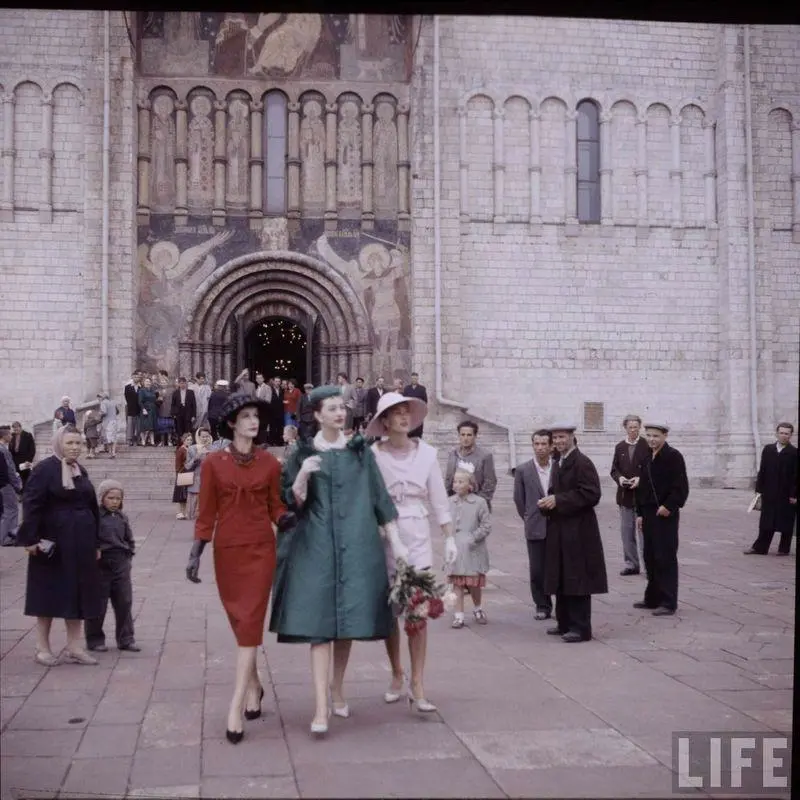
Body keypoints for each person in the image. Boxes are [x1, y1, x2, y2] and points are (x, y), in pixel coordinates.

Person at [270, 387, 407, 736]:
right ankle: (320, 708)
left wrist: (396, 541)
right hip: (314, 545)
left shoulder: (359, 452)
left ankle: (337, 688)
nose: (340, 413)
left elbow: (378, 496)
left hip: (354, 543)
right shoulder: (302, 452)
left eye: (342, 408)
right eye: (331, 408)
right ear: (317, 415)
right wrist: (301, 477)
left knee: (344, 622)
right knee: (319, 626)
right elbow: (289, 502)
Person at [186, 393, 293, 743]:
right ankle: (255, 686)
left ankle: (236, 705)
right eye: (245, 416)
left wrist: (288, 518)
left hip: (261, 550)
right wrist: (196, 549)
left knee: (250, 623)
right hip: (227, 551)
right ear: (232, 422)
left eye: (256, 416)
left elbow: (275, 507)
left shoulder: (271, 463)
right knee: (239, 623)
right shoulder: (213, 463)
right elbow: (206, 512)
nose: (253, 421)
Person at [367, 392, 456, 712]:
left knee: (418, 611)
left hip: (417, 536)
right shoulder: (374, 456)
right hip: (385, 537)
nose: (404, 418)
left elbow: (439, 500)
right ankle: (396, 673)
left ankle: (418, 681)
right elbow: (369, 497)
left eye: (407, 412)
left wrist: (448, 538)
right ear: (385, 421)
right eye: (396, 413)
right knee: (392, 610)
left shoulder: (428, 454)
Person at [16, 425, 104, 666]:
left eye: (78, 443)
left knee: (78, 593)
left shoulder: (80, 470)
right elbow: (32, 505)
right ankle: (42, 647)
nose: (75, 448)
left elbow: (92, 507)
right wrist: (31, 539)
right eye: (70, 443)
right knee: (48, 593)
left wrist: (96, 542)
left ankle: (75, 646)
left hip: (81, 543)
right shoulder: (44, 470)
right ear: (58, 444)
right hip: (53, 543)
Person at [540, 423, 608, 643]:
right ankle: (564, 622)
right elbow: (557, 491)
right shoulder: (559, 462)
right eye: (556, 438)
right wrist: (548, 502)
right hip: (561, 527)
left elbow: (591, 494)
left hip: (579, 530)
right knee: (561, 575)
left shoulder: (582, 462)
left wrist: (559, 500)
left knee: (577, 578)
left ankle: (581, 628)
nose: (559, 442)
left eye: (562, 437)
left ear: (571, 437)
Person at [634, 423, 689, 616]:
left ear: (665, 436)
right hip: (648, 514)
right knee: (649, 556)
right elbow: (642, 489)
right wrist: (639, 513)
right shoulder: (646, 457)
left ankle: (668, 601)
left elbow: (681, 486)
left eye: (656, 436)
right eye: (648, 435)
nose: (651, 439)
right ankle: (652, 598)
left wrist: (670, 506)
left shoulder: (673, 457)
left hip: (665, 514)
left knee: (664, 557)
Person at [85, 480, 140, 653]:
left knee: (124, 601)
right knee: (99, 603)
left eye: (118, 498)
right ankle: (94, 639)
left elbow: (129, 538)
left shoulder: (122, 517)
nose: (114, 502)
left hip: (120, 561)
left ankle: (126, 638)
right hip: (101, 563)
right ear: (102, 498)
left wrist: (129, 552)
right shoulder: (95, 517)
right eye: (110, 498)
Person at [513, 429, 555, 620]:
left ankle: (562, 604)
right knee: (537, 569)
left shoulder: (559, 467)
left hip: (557, 524)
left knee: (559, 566)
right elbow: (519, 499)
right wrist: (529, 516)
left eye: (543, 444)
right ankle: (542, 604)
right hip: (535, 525)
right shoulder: (523, 470)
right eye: (536, 444)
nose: (540, 448)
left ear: (551, 446)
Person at [445, 465, 491, 628]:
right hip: (456, 548)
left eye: (461, 481)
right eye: (455, 481)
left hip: (472, 549)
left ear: (470, 485)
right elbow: (446, 522)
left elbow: (486, 525)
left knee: (473, 583)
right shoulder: (449, 502)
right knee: (457, 582)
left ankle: (477, 608)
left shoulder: (480, 503)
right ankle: (458, 615)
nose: (456, 485)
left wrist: (473, 537)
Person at [744, 422, 797, 556]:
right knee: (766, 521)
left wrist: (794, 494)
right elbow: (762, 470)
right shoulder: (768, 449)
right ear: (777, 433)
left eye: (787, 433)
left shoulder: (793, 452)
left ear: (791, 435)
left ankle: (783, 549)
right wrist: (759, 489)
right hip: (769, 491)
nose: (784, 436)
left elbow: (796, 476)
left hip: (786, 493)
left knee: (786, 522)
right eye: (781, 433)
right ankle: (760, 548)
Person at [610, 414, 650, 575]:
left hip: (642, 496)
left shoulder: (646, 445)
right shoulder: (620, 447)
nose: (633, 430)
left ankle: (648, 565)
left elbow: (651, 468)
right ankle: (631, 564)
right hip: (625, 496)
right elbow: (614, 468)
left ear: (639, 427)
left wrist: (640, 479)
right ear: (625, 428)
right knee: (627, 532)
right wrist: (620, 479)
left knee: (644, 533)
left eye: (635, 427)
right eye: (630, 427)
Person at [444, 421, 497, 511]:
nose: (465, 438)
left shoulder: (485, 456)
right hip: (455, 504)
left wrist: (476, 503)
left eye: (469, 435)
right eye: (462, 434)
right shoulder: (453, 454)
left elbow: (490, 483)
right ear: (459, 436)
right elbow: (448, 480)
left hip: (476, 505)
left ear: (475, 436)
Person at [185, 427, 214, 520]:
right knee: (193, 506)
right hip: (196, 479)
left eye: (207, 436)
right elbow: (187, 466)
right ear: (198, 437)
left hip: (210, 479)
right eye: (203, 437)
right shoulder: (192, 449)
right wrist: (196, 457)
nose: (205, 439)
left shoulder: (214, 449)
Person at [0, 425, 22, 546]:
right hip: (5, 484)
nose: (11, 436)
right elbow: (10, 470)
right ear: (4, 436)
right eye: (9, 434)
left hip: (2, 483)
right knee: (11, 510)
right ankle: (7, 538)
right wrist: (17, 485)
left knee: (5, 510)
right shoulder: (3, 450)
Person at [9, 421, 36, 491]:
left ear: (20, 427)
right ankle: (19, 492)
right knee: (17, 477)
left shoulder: (28, 435)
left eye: (17, 429)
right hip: (15, 460)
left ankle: (25, 493)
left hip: (25, 460)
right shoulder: (12, 435)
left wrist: (29, 461)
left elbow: (32, 450)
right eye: (14, 429)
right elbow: (10, 448)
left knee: (25, 477)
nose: (16, 431)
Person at [173, 432, 194, 519]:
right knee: (179, 494)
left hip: (188, 473)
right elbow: (177, 464)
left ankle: (184, 512)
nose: (189, 441)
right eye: (187, 440)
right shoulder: (181, 450)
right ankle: (179, 512)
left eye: (190, 440)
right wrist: (179, 472)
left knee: (185, 494)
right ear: (183, 440)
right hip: (182, 473)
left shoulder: (190, 449)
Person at [402, 372, 428, 438]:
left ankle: (418, 442)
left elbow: (425, 401)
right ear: (411, 379)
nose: (414, 380)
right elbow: (404, 400)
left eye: (415, 378)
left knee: (418, 429)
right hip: (409, 412)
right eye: (413, 378)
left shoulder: (422, 389)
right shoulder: (407, 388)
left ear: (417, 379)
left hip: (418, 413)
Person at [137, 377, 158, 446]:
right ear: (144, 383)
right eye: (146, 381)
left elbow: (155, 399)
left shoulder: (153, 390)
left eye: (149, 382)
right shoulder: (142, 390)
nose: (148, 383)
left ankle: (152, 441)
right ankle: (143, 441)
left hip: (153, 409)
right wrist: (143, 409)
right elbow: (140, 401)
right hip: (145, 409)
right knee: (144, 426)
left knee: (152, 426)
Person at [98, 391, 119, 458]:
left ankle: (111, 453)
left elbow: (104, 412)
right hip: (114, 421)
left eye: (99, 397)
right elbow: (117, 411)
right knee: (114, 437)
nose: (99, 399)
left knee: (109, 438)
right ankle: (113, 452)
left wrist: (99, 414)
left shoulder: (103, 403)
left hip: (108, 422)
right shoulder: (113, 402)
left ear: (103, 397)